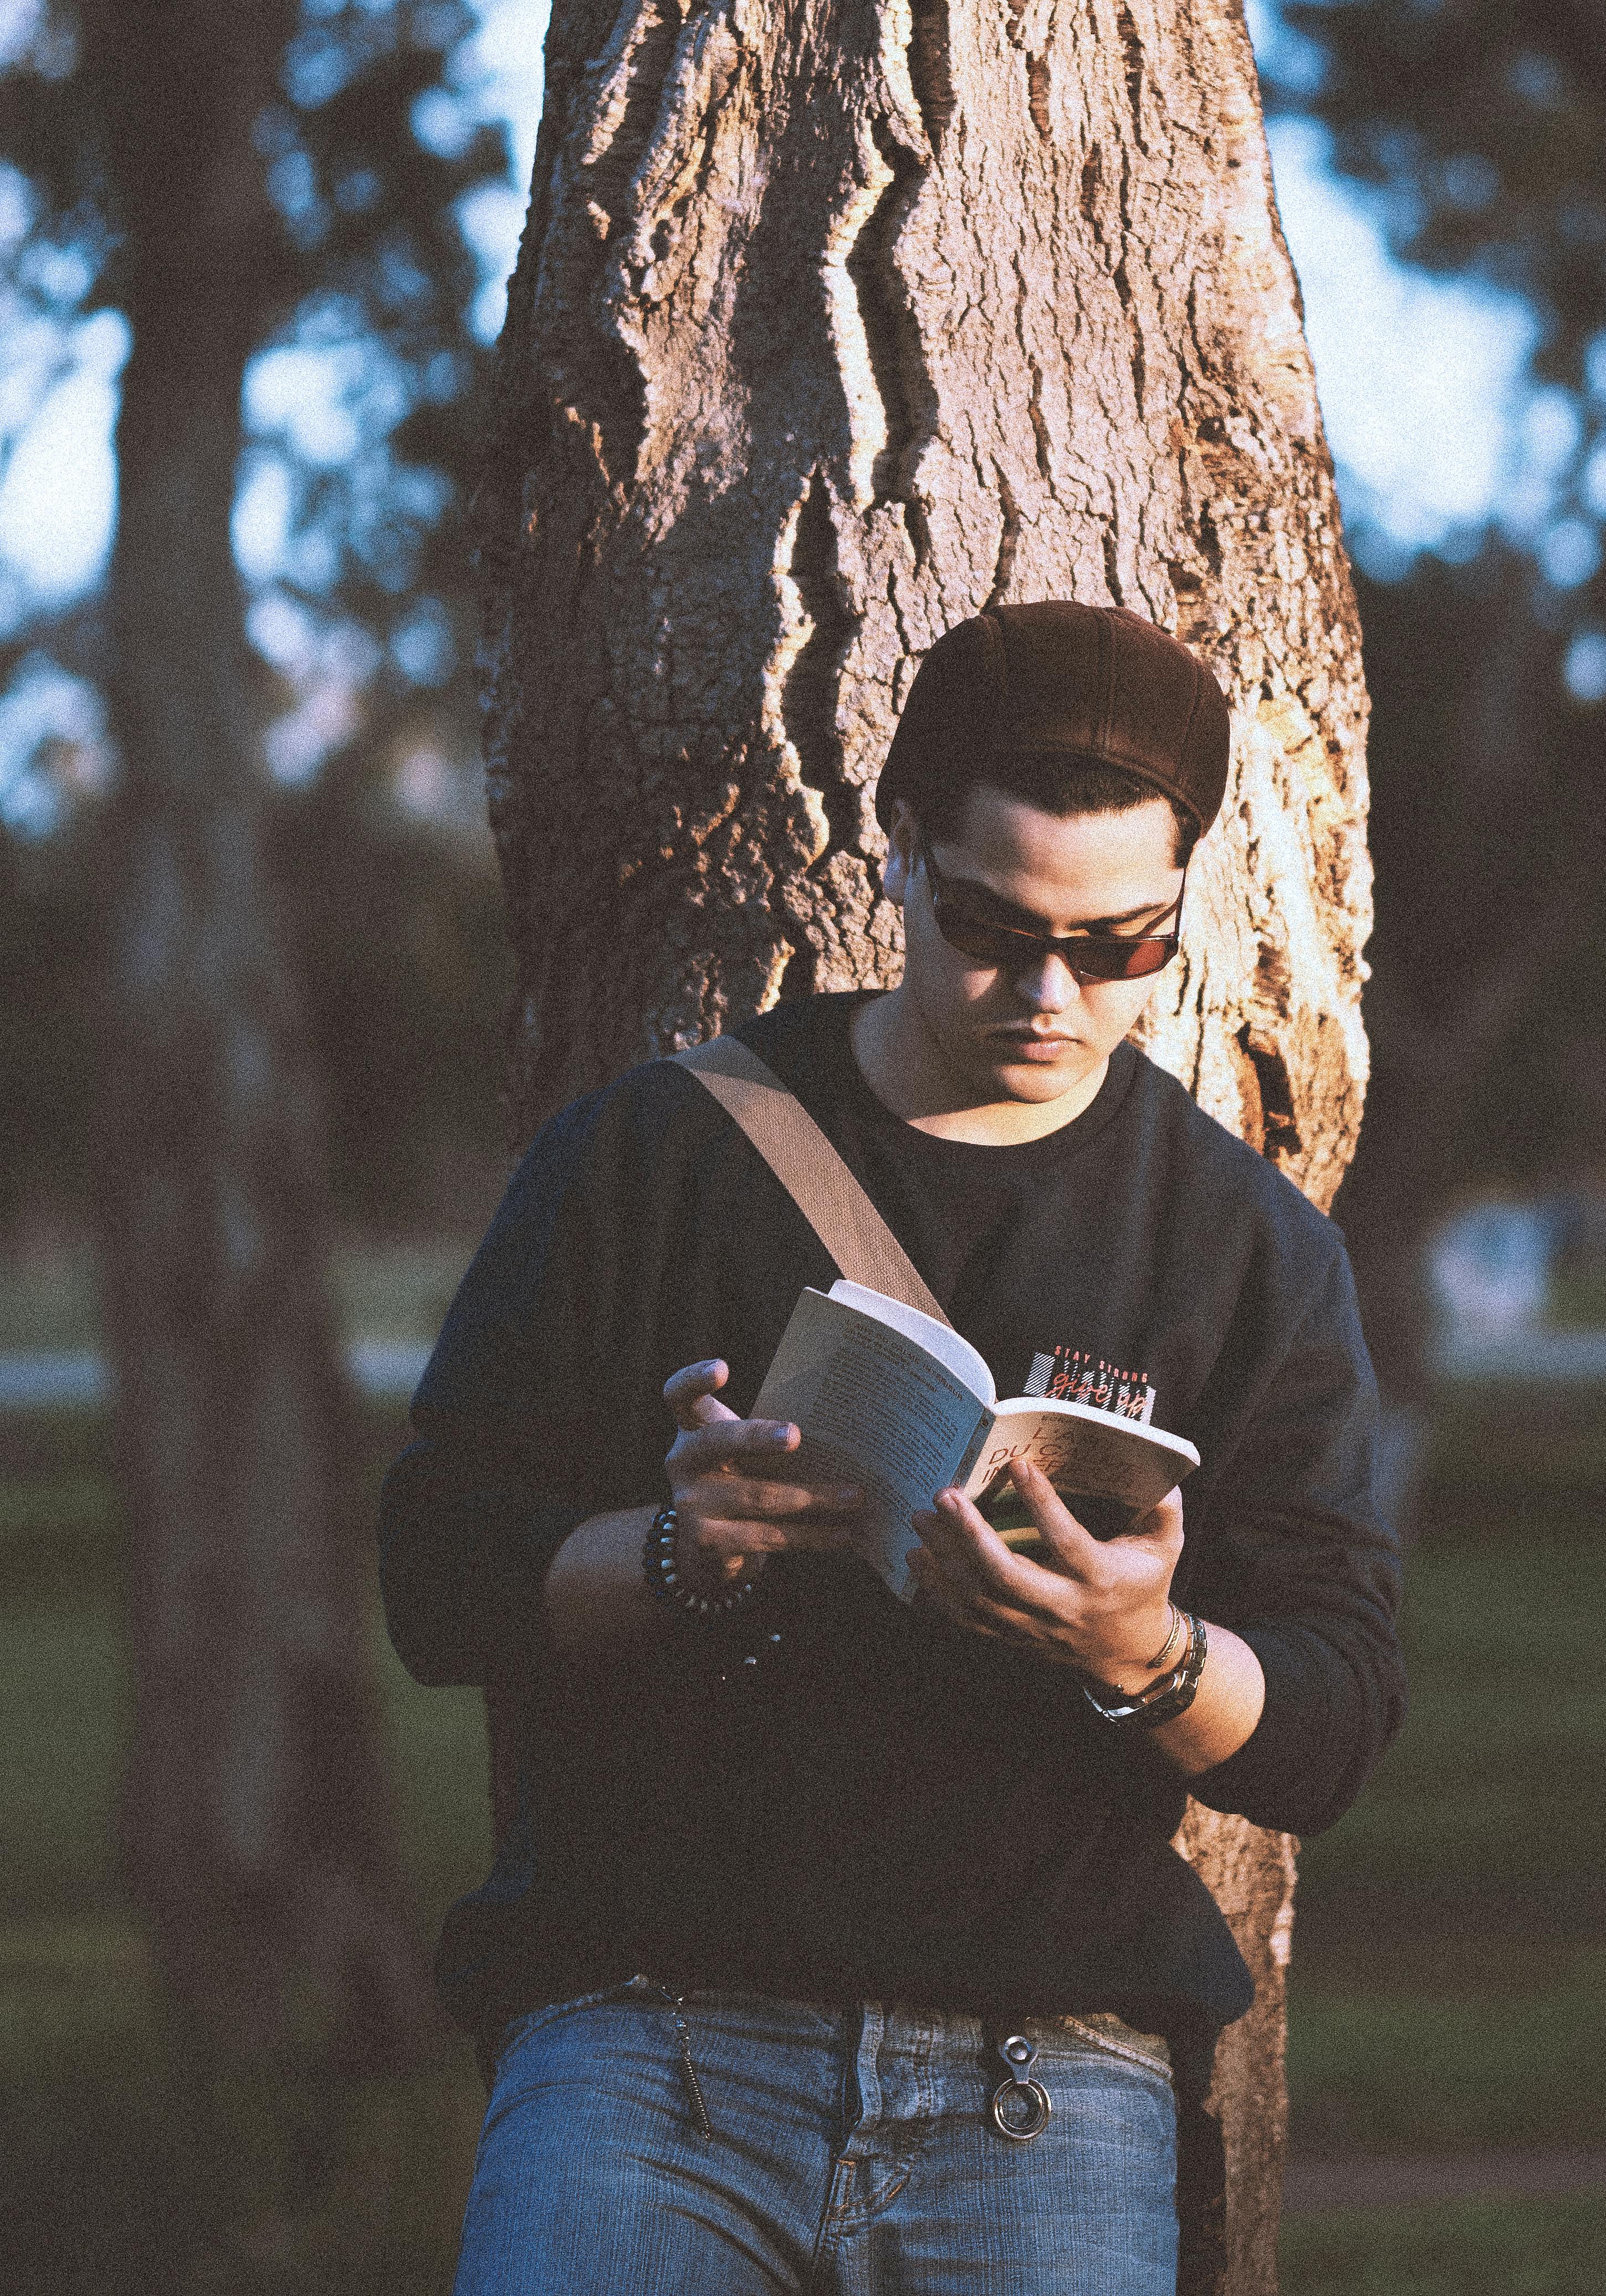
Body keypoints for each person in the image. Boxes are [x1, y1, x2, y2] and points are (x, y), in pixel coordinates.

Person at [380, 600, 1405, 2294]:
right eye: (992, 928)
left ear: (1182, 897)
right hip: (651, 2045)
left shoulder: (1241, 1246)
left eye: (1121, 945)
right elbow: (435, 1581)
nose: (1050, 995)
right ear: (900, 850)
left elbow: (1331, 1721)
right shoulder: (652, 1154)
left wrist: (1141, 1650)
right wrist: (671, 1551)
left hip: (1042, 2076)